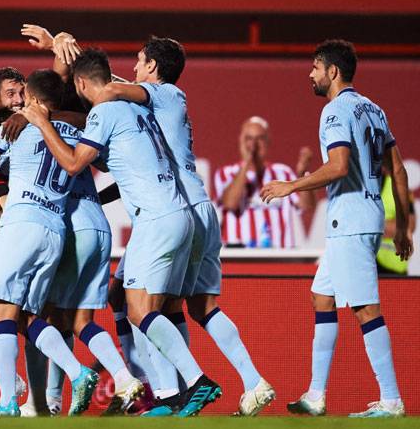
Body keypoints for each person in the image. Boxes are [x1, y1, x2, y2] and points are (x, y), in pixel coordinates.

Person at [20, 48, 221, 417]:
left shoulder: (104, 111)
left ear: (80, 83)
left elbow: (72, 163)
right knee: (128, 299)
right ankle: (167, 393)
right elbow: (121, 160)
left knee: (140, 309)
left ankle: (193, 382)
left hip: (157, 219)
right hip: (179, 212)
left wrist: (42, 123)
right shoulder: (137, 108)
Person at [94, 35, 275, 416]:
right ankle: (251, 381)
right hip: (196, 206)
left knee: (144, 305)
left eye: (140, 62)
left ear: (154, 69)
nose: (135, 68)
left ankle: (169, 392)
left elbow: (105, 86)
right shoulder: (161, 105)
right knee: (195, 305)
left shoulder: (165, 94)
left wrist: (74, 57)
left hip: (175, 210)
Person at [261, 39, 413, 418]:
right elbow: (398, 170)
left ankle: (392, 399)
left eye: (315, 67)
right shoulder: (374, 109)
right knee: (322, 298)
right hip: (365, 215)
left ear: (333, 72)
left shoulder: (334, 111)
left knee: (365, 309)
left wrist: (291, 186)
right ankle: (315, 395)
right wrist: (404, 227)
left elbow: (339, 165)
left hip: (350, 219)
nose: (310, 74)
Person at [0, 69, 100, 417]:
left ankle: (8, 401)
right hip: (55, 229)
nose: (20, 102)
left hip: (22, 223)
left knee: (3, 308)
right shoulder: (75, 129)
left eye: (25, 97)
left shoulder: (14, 129)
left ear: (33, 100)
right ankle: (77, 372)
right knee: (22, 314)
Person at [215, 117, 315, 248]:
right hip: (239, 257)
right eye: (249, 139)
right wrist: (247, 163)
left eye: (260, 138)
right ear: (241, 142)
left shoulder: (283, 173)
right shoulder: (226, 173)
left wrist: (303, 174)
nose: (254, 145)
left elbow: (306, 206)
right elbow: (230, 203)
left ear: (268, 142)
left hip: (279, 257)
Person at [376, 171, 416, 274]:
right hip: (364, 266)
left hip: (393, 269)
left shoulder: (399, 184)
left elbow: (409, 225)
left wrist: (368, 226)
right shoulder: (358, 184)